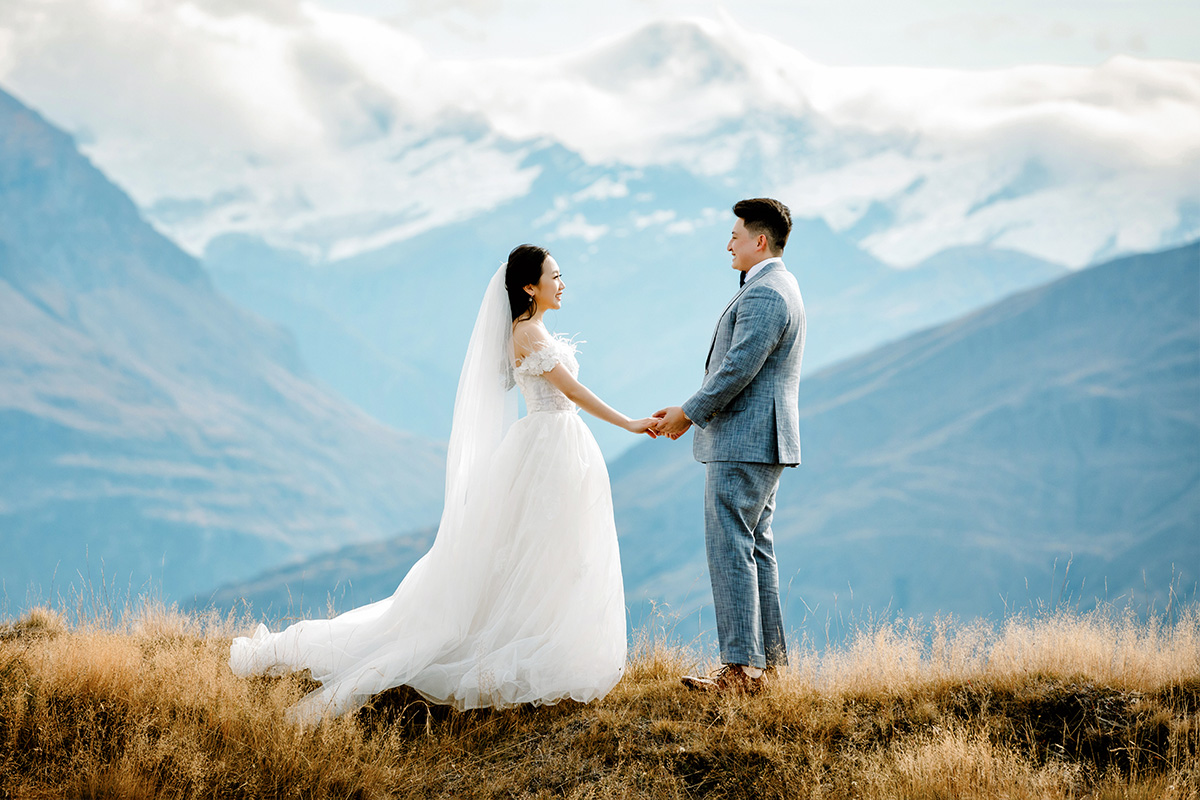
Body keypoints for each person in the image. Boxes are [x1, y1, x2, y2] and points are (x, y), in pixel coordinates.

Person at [229, 244, 658, 722]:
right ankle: (523, 648)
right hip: (547, 448)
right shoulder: (528, 335)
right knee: (540, 547)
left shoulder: (533, 331)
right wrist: (632, 423)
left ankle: (546, 641)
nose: (563, 284)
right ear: (529, 287)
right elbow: (572, 391)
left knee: (551, 550)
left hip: (553, 446)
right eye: (554, 276)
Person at [653, 198, 806, 694]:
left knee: (730, 546)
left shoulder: (765, 293)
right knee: (756, 547)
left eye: (735, 237)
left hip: (744, 439)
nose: (729, 245)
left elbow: (738, 368)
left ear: (758, 240)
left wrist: (688, 412)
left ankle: (740, 669)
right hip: (762, 440)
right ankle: (765, 667)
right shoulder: (781, 286)